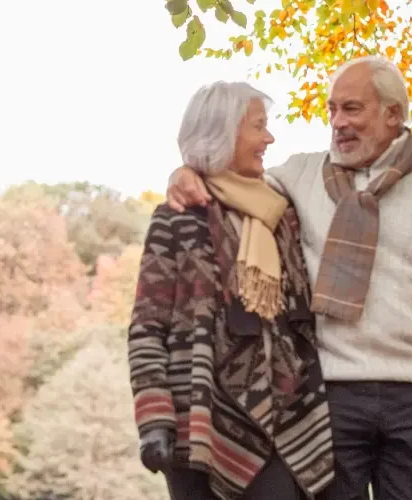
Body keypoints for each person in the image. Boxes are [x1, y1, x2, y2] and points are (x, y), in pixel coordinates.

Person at [165, 56, 412, 500]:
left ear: (393, 114)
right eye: (332, 110)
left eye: (352, 109)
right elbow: (231, 180)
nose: (338, 123)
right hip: (329, 396)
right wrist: (184, 172)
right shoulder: (298, 176)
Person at [127, 81, 335, 500]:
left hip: (281, 423)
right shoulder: (177, 218)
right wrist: (154, 420)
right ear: (223, 134)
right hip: (196, 426)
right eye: (259, 127)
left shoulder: (283, 212)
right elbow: (148, 327)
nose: (269, 138)